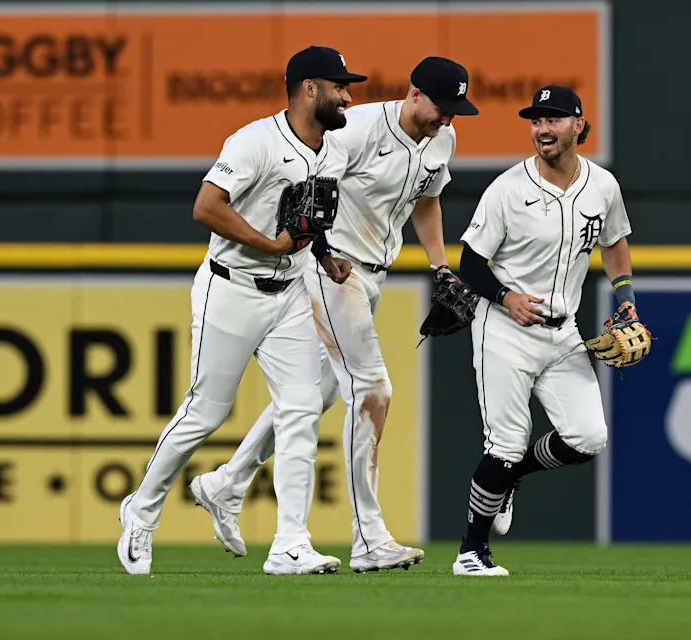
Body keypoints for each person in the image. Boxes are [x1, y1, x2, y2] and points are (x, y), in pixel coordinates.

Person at [189, 57, 479, 573]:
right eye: (441, 107)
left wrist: (440, 267)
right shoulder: (360, 128)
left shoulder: (442, 140)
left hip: (374, 276)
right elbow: (307, 186)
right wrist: (316, 249)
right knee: (372, 388)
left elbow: (427, 200)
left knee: (317, 394)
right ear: (414, 94)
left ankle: (225, 483)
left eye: (455, 110)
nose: (448, 119)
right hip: (333, 269)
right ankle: (368, 536)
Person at [117, 46, 367, 576]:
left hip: (290, 296)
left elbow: (306, 218)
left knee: (301, 409)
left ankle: (290, 545)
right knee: (205, 413)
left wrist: (324, 255)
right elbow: (206, 207)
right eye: (339, 86)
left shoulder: (335, 151)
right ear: (309, 89)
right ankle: (141, 511)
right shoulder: (255, 140)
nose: (348, 95)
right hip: (230, 289)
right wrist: (270, 246)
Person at [452, 85, 636, 576]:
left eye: (553, 119)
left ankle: (511, 480)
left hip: (563, 332)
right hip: (504, 328)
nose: (542, 129)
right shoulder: (508, 188)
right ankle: (472, 551)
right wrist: (505, 298)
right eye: (536, 120)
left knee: (587, 437)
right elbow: (470, 261)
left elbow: (615, 243)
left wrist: (627, 305)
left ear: (578, 125)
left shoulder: (603, 186)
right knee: (507, 442)